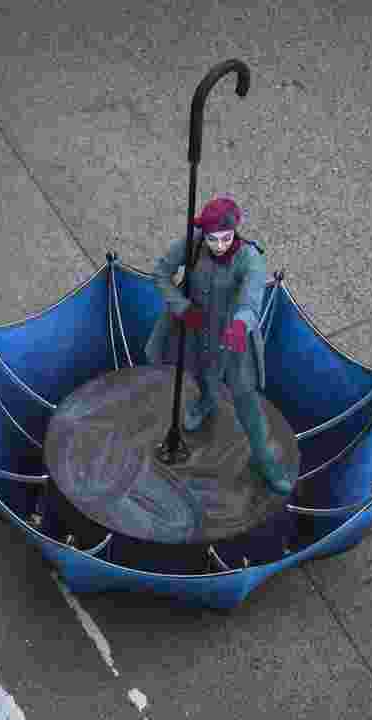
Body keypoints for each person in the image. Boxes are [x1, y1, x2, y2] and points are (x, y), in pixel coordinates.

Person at [144, 195, 293, 496]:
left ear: (235, 231)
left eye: (226, 238)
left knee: (245, 398)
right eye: (213, 238)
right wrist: (182, 306)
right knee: (201, 374)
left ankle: (265, 459)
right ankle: (206, 400)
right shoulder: (195, 243)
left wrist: (240, 325)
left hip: (234, 338)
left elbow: (252, 298)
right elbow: (160, 273)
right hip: (197, 327)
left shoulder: (250, 258)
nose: (220, 245)